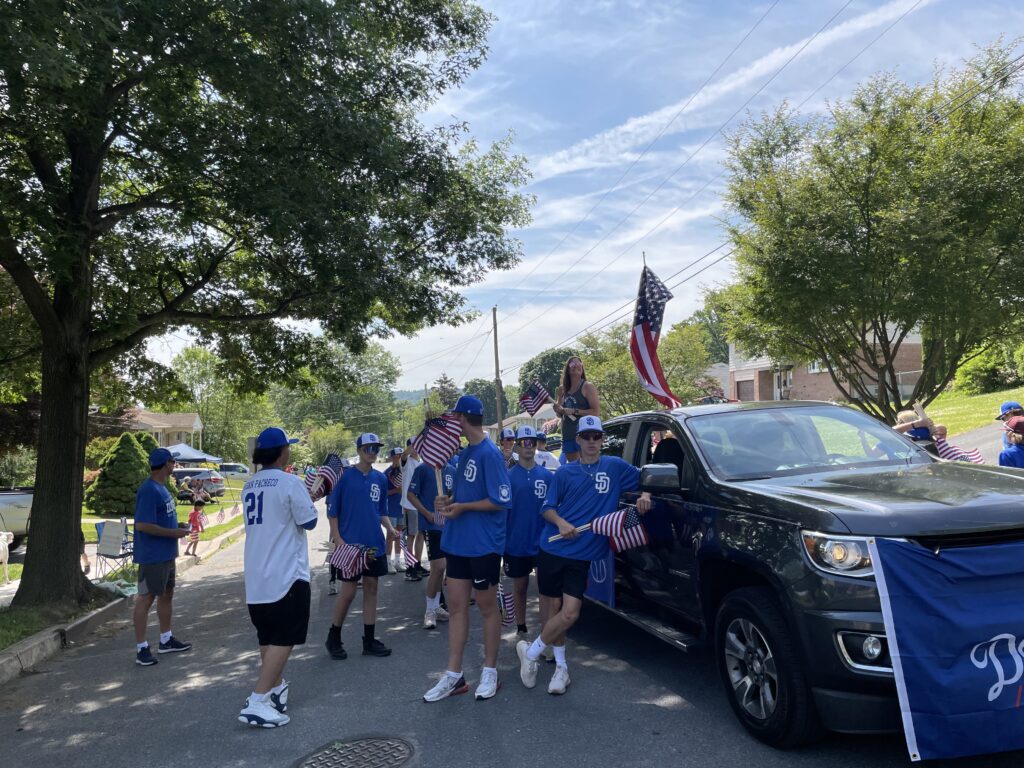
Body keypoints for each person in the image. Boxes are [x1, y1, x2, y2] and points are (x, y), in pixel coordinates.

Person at [516, 415, 650, 696]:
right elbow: (547, 508)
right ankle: (561, 669)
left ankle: (530, 653)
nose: (591, 442)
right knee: (554, 612)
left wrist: (645, 494)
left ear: (602, 440)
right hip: (552, 548)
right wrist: (562, 523)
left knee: (570, 613)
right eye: (586, 436)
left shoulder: (614, 466)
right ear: (577, 440)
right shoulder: (564, 472)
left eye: (596, 437)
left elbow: (644, 477)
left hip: (583, 555)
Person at [423, 395, 511, 702]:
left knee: (487, 608)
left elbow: (500, 499)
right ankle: (454, 675)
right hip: (457, 543)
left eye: (454, 417)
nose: (451, 423)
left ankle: (490, 671)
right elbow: (458, 496)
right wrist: (445, 501)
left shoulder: (489, 453)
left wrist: (464, 508)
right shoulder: (463, 455)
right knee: (458, 606)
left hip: (484, 545)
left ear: (463, 418)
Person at [238, 427, 318, 729]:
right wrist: (310, 496)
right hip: (287, 575)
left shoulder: (249, 486)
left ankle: (274, 688)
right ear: (282, 451)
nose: (291, 451)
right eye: (289, 447)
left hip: (257, 577)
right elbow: (309, 521)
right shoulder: (290, 482)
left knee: (268, 637)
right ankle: (257, 699)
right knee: (285, 637)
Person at [324, 433, 398, 661]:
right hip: (351, 546)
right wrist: (338, 539)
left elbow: (381, 511)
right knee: (347, 592)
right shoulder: (344, 477)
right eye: (368, 448)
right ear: (359, 450)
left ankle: (369, 639)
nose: (372, 453)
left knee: (372, 588)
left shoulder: (380, 479)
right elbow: (332, 511)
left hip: (374, 543)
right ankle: (333, 637)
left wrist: (391, 530)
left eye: (375, 448)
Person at [132, 447, 191, 667]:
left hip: (166, 554)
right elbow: (143, 525)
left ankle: (166, 640)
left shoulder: (163, 488)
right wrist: (173, 533)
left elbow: (161, 519)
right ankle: (141, 648)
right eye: (173, 462)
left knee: (167, 595)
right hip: (152, 556)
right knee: (146, 599)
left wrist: (178, 526)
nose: (174, 466)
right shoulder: (148, 490)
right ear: (166, 464)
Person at [505, 425, 552, 638]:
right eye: (524, 442)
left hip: (543, 541)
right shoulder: (508, 476)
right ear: (517, 444)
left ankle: (546, 633)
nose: (528, 447)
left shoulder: (547, 475)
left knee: (545, 589)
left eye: (532, 442)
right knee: (521, 586)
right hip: (517, 542)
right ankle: (521, 626)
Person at [407, 459, 454, 629]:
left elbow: (454, 496)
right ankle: (429, 610)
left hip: (448, 525)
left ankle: (437, 606)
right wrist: (426, 513)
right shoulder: (423, 469)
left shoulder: (452, 469)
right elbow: (410, 494)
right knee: (438, 567)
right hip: (431, 524)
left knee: (443, 568)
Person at [552, 356, 600, 462]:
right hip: (568, 435)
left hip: (585, 436)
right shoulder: (562, 389)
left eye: (579, 364)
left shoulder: (587, 386)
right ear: (567, 369)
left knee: (586, 467)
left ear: (582, 368)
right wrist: (558, 410)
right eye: (572, 365)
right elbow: (560, 415)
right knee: (574, 468)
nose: (576, 366)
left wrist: (574, 411)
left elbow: (595, 412)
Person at [400, 441, 425, 580]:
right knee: (411, 536)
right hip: (409, 505)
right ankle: (409, 568)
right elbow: (403, 455)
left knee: (420, 535)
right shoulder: (406, 462)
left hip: (420, 505)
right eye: (415, 445)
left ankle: (417, 564)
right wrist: (410, 448)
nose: (417, 448)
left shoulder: (421, 463)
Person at [383, 447, 405, 574]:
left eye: (400, 456)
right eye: (396, 456)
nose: (398, 459)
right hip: (391, 508)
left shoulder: (404, 470)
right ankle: (388, 562)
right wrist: (396, 491)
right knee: (391, 535)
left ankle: (397, 561)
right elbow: (383, 493)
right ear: (391, 458)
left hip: (401, 507)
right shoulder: (387, 473)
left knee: (400, 535)